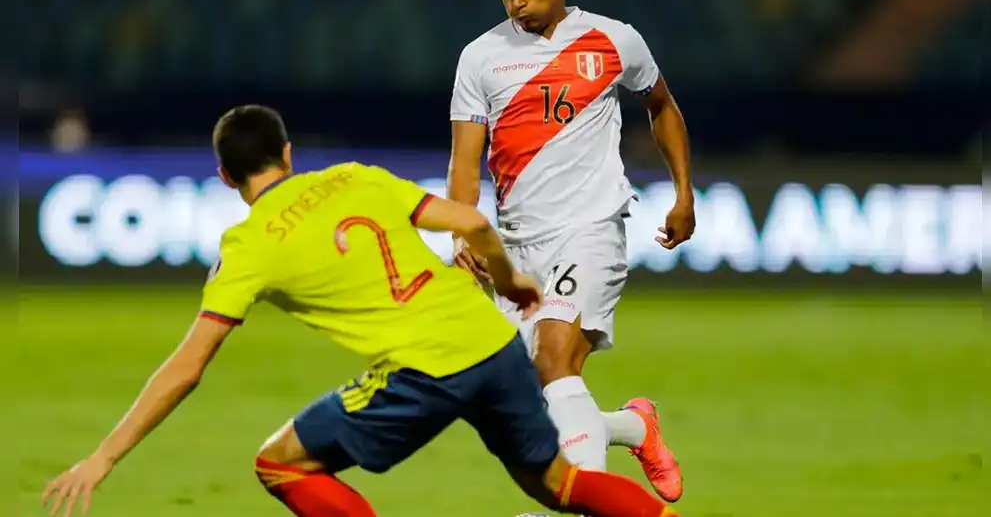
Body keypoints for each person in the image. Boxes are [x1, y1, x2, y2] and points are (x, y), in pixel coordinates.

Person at [41, 105, 680, 517]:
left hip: (424, 371)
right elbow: (472, 222)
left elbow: (186, 368)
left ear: (224, 177)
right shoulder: (354, 177)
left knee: (279, 462)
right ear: (287, 154)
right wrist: (511, 285)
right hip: (490, 341)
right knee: (561, 485)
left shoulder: (247, 247)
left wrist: (103, 458)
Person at [447, 0, 695, 503]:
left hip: (590, 230)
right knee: (534, 403)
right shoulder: (480, 58)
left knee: (555, 359)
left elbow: (661, 105)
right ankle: (635, 427)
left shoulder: (614, 40)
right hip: (514, 248)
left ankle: (587, 508)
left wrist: (684, 192)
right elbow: (465, 162)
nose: (516, 2)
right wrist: (465, 233)